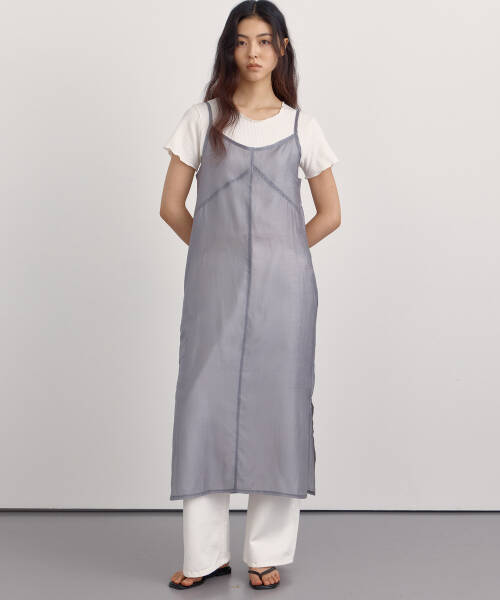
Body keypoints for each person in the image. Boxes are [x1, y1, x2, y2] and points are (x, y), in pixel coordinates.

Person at [159, 0, 341, 590]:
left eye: (264, 41)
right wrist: (216, 252)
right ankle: (204, 555)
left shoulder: (301, 126)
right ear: (229, 49)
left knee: (279, 407)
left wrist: (282, 253)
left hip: (285, 293)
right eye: (242, 41)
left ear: (281, 48)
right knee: (203, 406)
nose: (253, 52)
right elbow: (171, 206)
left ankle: (266, 552)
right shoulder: (202, 119)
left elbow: (331, 212)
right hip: (213, 288)